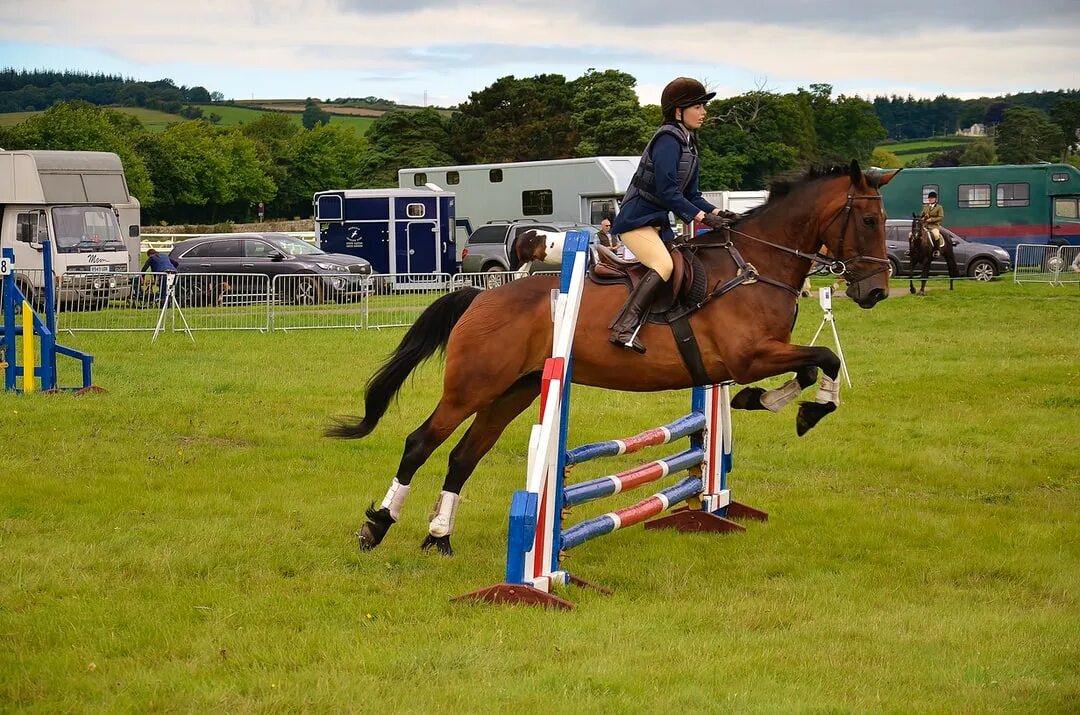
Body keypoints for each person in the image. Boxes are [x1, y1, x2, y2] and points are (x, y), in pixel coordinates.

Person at [609, 77, 729, 353]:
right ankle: (624, 327)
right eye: (698, 107)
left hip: (657, 225)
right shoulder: (667, 139)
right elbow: (666, 191)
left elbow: (692, 195)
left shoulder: (689, 145)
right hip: (635, 221)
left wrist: (718, 212)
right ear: (678, 111)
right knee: (664, 265)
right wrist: (700, 218)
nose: (704, 112)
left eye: (703, 106)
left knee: (686, 262)